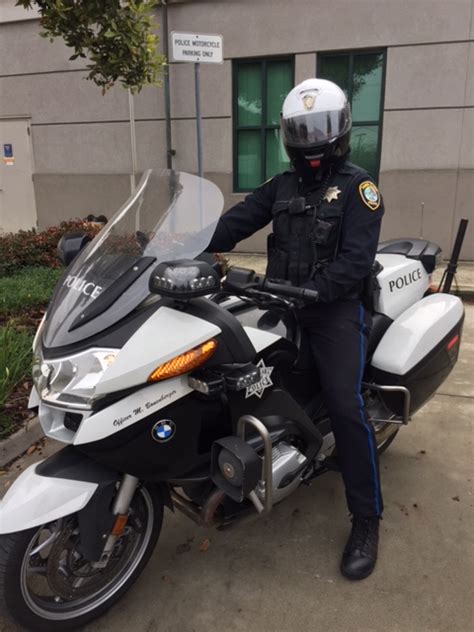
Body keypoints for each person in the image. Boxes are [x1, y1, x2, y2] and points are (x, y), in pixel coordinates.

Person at [207, 78, 384, 580]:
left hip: (332, 311)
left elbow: (355, 262)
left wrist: (316, 290)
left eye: (319, 127)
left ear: (340, 128)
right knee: (226, 370)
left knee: (347, 407)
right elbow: (236, 222)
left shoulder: (358, 188)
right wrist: (181, 244)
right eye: (301, 129)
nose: (310, 139)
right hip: (279, 301)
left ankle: (367, 519)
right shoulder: (280, 186)